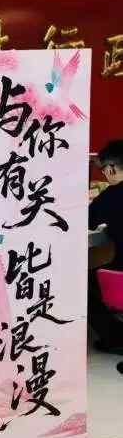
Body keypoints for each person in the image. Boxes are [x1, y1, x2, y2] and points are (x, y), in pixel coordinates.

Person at [89, 139, 123, 352]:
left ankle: (114, 338)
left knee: (84, 282)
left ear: (111, 169)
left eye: (103, 170)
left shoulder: (111, 195)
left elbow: (88, 220)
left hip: (121, 274)